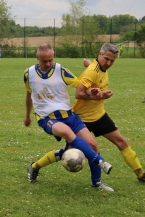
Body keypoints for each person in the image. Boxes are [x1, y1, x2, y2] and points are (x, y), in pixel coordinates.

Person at [24, 44, 113, 191]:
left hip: (69, 116)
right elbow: (29, 94)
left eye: (50, 60)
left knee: (93, 145)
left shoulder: (61, 70)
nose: (48, 64)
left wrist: (93, 92)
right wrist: (27, 115)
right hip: (47, 118)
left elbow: (80, 85)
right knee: (67, 133)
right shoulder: (29, 74)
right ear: (37, 57)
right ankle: (100, 161)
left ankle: (96, 183)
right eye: (44, 61)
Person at [73, 43, 145, 182]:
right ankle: (35, 166)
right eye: (106, 59)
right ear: (99, 54)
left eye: (112, 61)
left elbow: (95, 69)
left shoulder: (99, 66)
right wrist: (98, 96)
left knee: (121, 142)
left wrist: (89, 64)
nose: (108, 63)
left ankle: (141, 174)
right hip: (82, 119)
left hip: (99, 115)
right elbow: (78, 94)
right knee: (68, 151)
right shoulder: (92, 70)